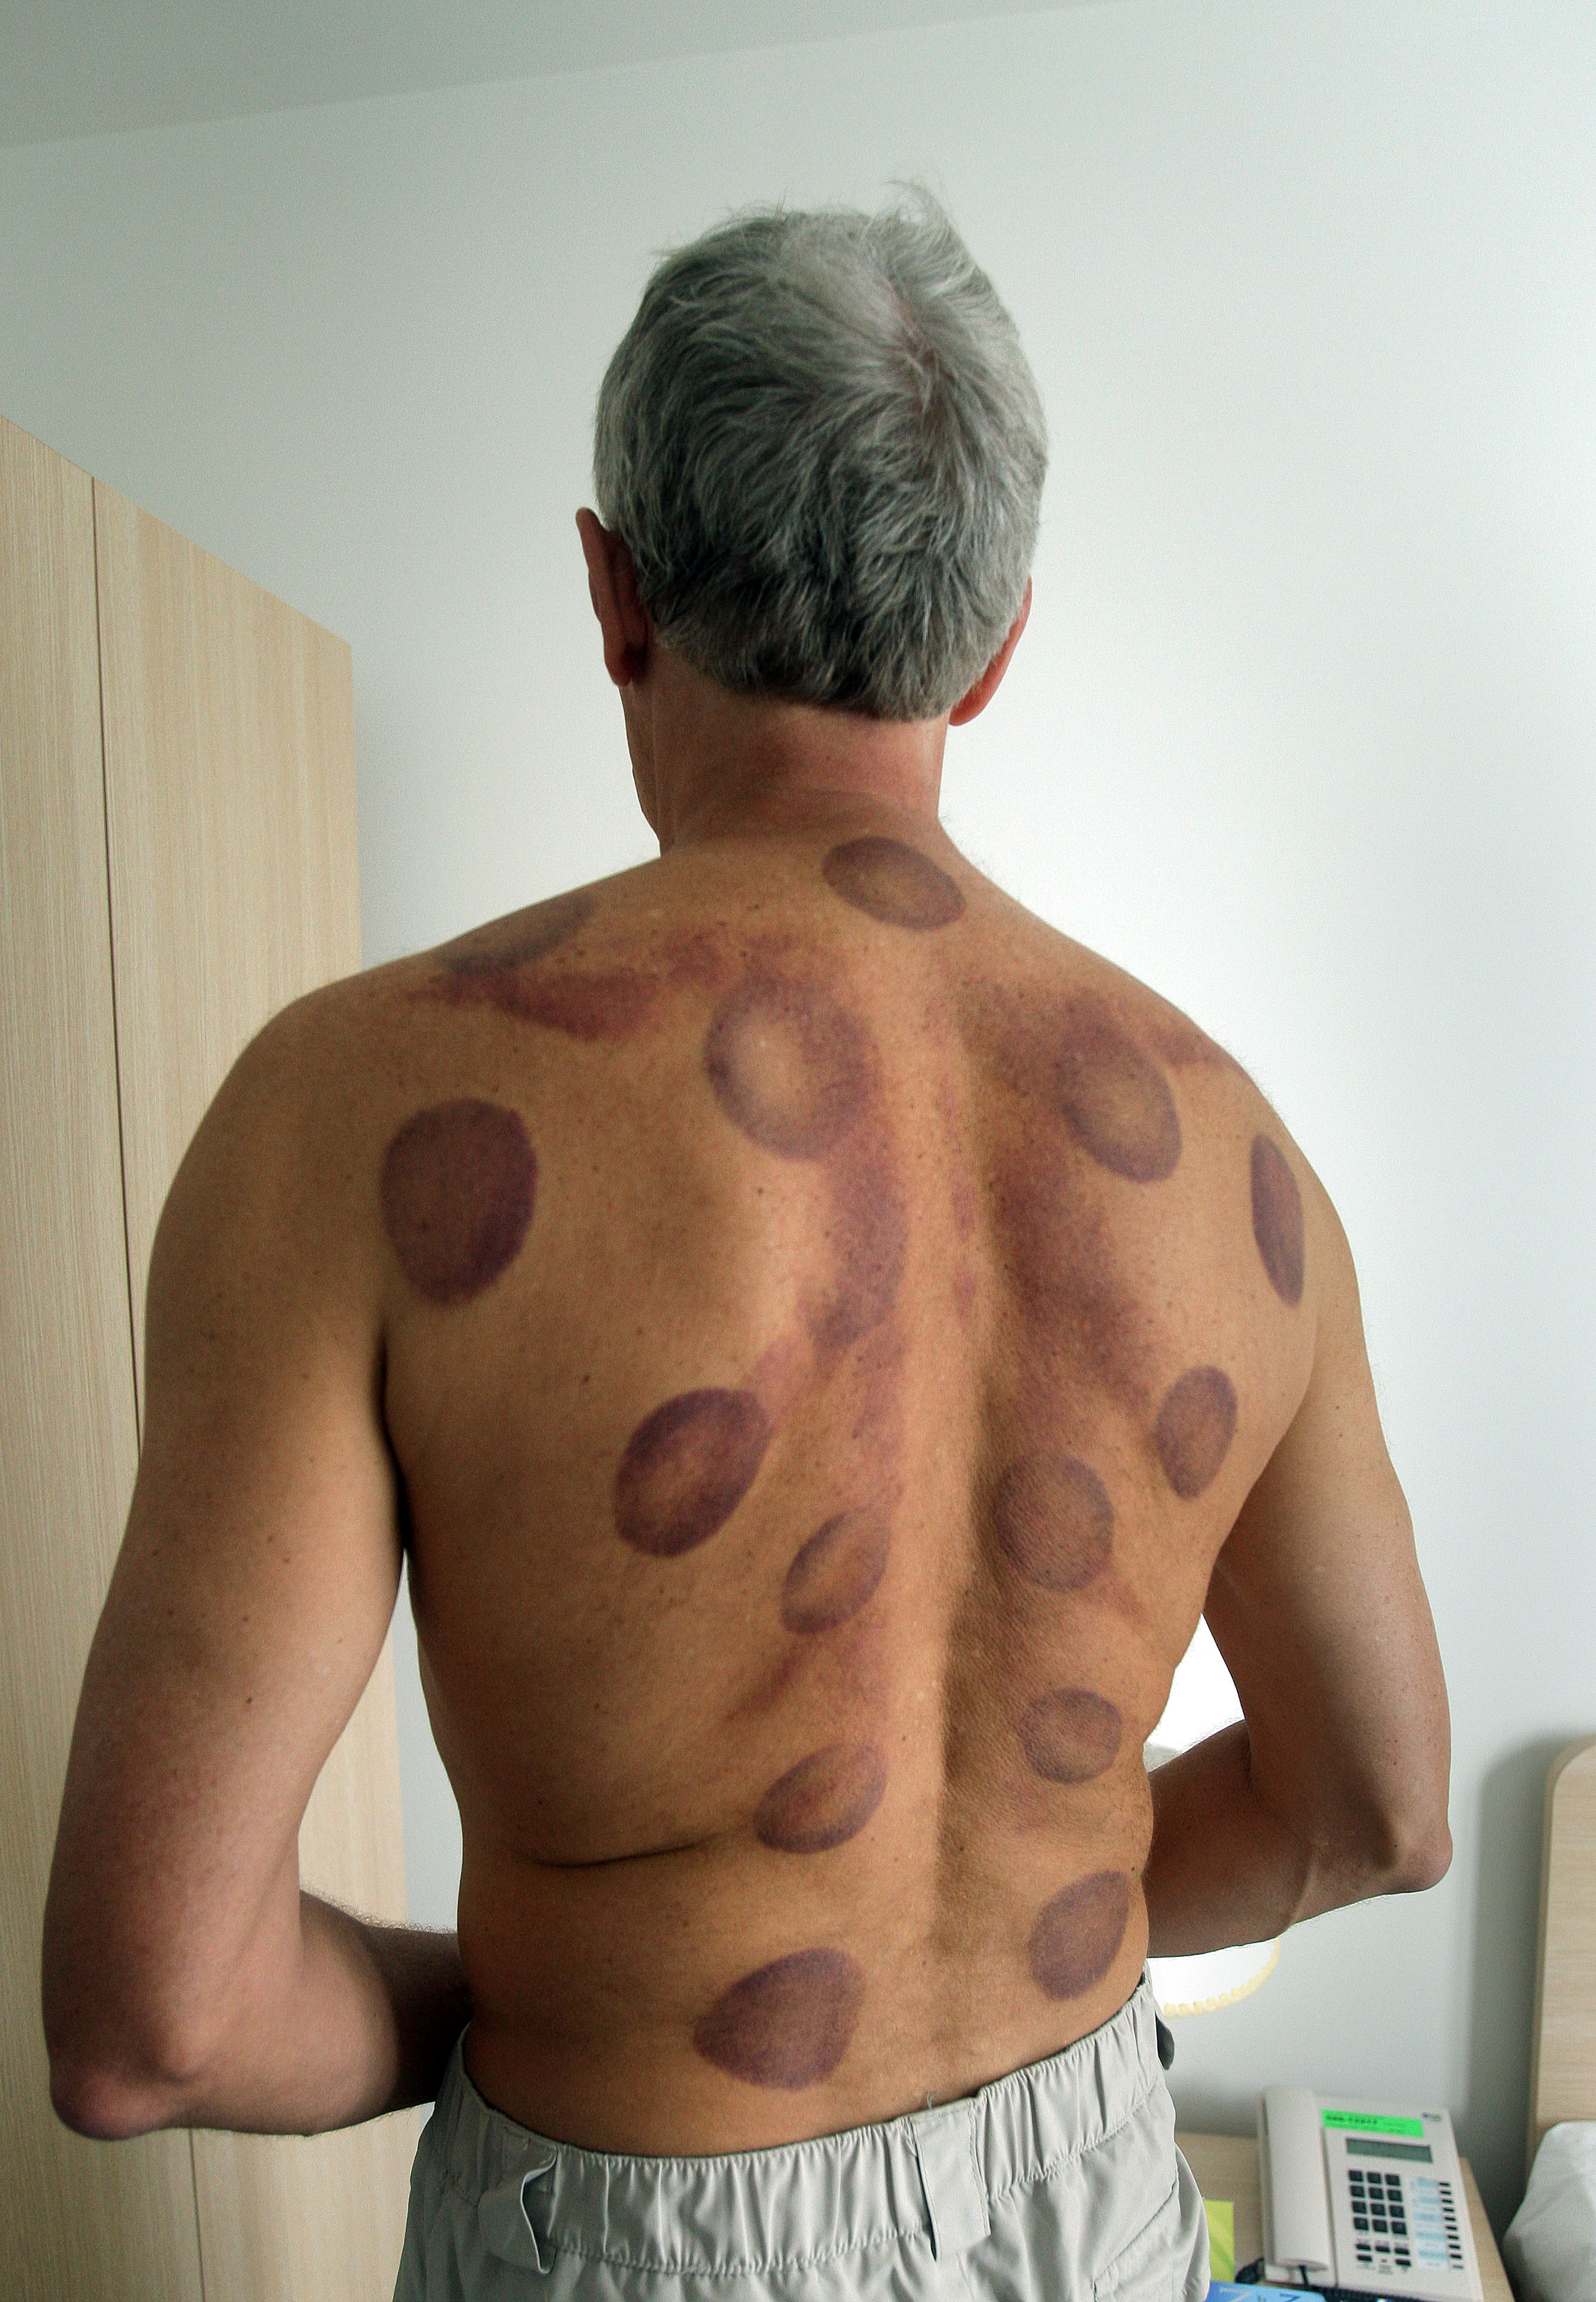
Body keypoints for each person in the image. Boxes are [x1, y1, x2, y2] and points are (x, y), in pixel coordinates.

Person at [42, 193, 1452, 2302]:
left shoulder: (348, 1114)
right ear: (995, 644)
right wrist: (1020, 1898)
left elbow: (150, 2020)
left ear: (610, 592)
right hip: (1089, 2190)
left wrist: (534, 1988)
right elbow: (1375, 1812)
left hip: (630, 2229)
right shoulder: (1238, 1164)